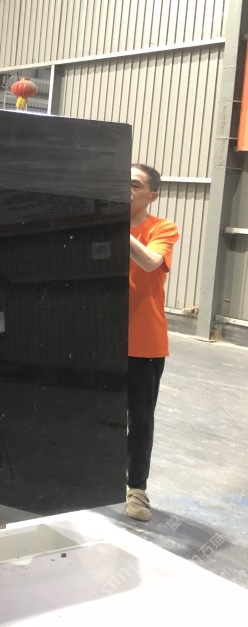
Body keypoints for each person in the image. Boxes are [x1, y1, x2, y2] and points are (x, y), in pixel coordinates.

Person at [126, 163, 180, 522]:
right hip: (103, 339)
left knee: (141, 418)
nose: (125, 189)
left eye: (134, 184)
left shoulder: (162, 229)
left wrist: (116, 227)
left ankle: (136, 489)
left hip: (144, 342)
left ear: (152, 195)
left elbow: (149, 263)